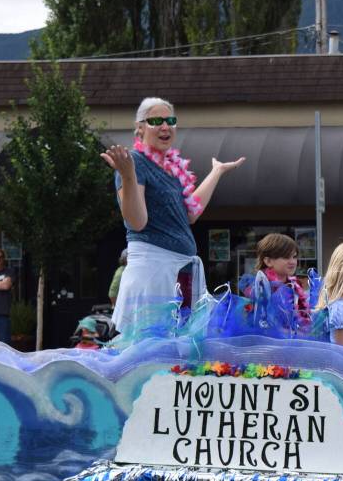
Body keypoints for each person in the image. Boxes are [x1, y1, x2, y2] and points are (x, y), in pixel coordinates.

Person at [101, 97, 244, 333]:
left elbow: (189, 214)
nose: (165, 126)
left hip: (180, 272)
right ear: (140, 127)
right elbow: (136, 222)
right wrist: (128, 176)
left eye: (170, 120)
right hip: (153, 274)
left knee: (180, 350)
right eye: (156, 121)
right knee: (151, 348)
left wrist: (216, 172)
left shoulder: (170, 167)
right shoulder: (134, 162)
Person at [250, 233, 311, 324]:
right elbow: (263, 324)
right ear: (268, 261)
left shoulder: (295, 284)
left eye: (294, 257)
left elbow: (302, 316)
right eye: (286, 257)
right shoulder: (262, 286)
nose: (292, 262)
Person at [0, 247, 15, 345]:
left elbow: (6, 285)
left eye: (0, 257)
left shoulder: (9, 272)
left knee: (4, 347)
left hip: (2, 316)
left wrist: (2, 284)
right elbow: (2, 284)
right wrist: (0, 283)